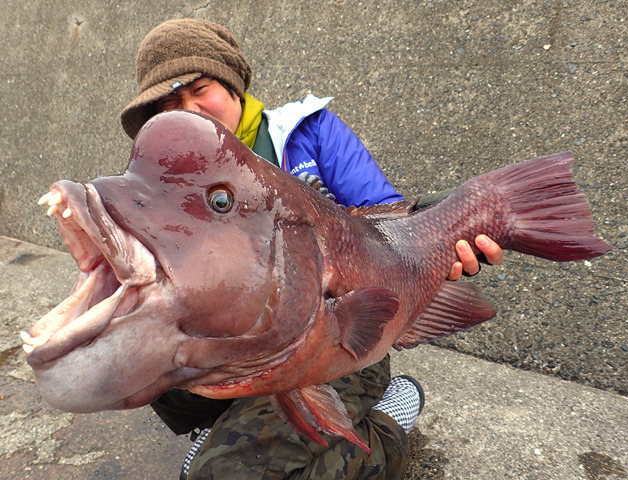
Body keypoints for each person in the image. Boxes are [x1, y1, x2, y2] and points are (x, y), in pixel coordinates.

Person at [120, 18, 503, 480]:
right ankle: (229, 425)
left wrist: (452, 234)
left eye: (201, 88)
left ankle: (387, 421)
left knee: (220, 475)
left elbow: (387, 223)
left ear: (233, 81)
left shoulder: (310, 131)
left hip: (337, 338)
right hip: (240, 349)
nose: (191, 109)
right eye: (169, 103)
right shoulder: (169, 183)